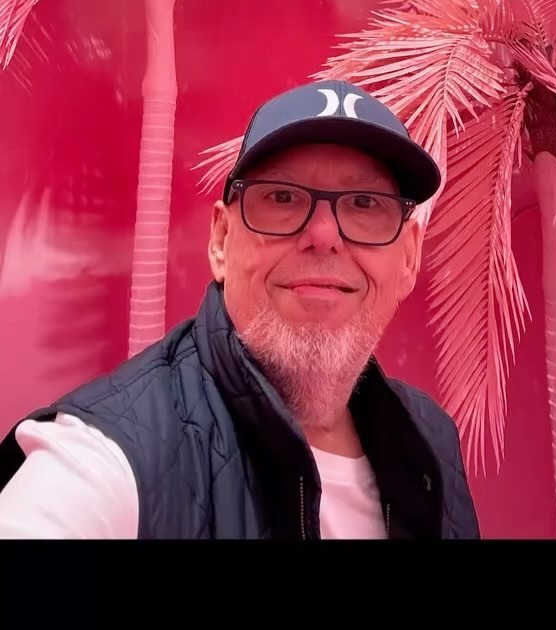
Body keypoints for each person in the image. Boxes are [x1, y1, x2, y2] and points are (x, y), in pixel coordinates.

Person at [0, 79, 480, 540]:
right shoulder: (110, 454)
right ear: (221, 241)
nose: (324, 235)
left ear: (409, 257)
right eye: (283, 197)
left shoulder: (431, 444)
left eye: (363, 203)